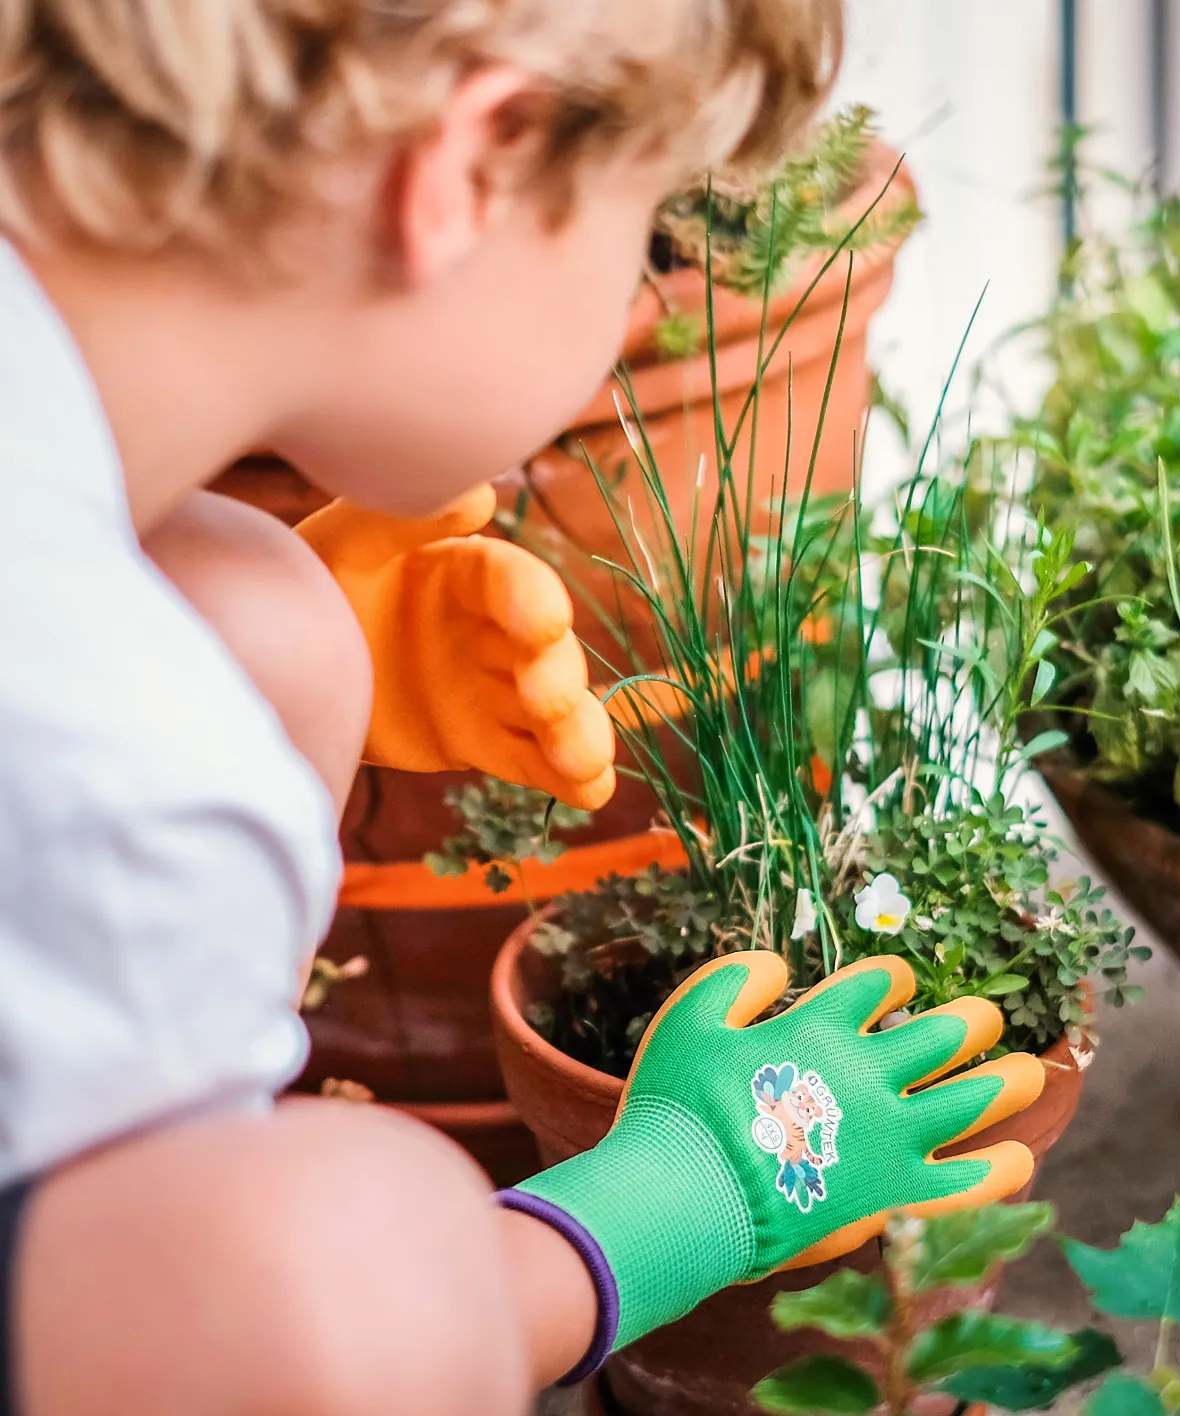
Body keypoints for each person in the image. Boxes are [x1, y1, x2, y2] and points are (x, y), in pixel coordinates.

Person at [0, 4, 1046, 1412]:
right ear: (470, 169)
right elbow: (259, 1335)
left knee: (244, 601)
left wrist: (293, 650)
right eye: (650, 226)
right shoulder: (117, 763)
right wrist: (676, 1197)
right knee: (341, 1250)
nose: (640, 304)